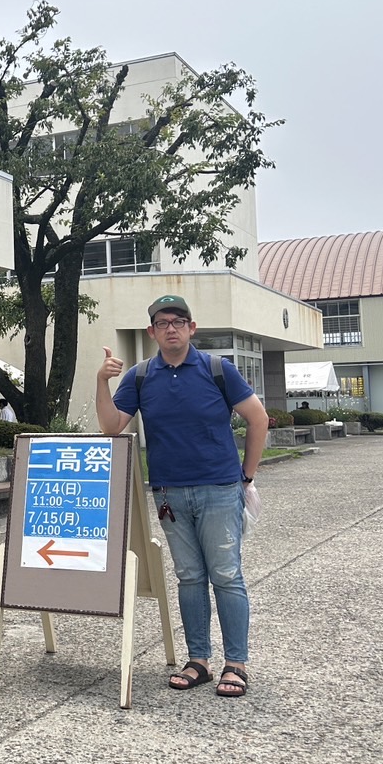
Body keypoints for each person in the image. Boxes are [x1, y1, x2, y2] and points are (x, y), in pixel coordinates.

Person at [95, 294, 270, 699]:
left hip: (219, 489)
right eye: (162, 322)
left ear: (192, 328)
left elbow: (258, 418)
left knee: (226, 575)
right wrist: (101, 380)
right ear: (151, 331)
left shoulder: (216, 370)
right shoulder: (140, 377)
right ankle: (199, 661)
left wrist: (246, 476)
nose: (171, 328)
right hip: (169, 492)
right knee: (189, 577)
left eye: (179, 321)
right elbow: (111, 428)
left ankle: (237, 664)